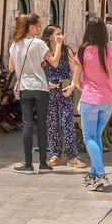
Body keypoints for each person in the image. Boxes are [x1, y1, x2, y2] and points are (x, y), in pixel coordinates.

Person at [73, 17, 112, 191]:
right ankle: (93, 174)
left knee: (89, 138)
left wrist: (86, 88)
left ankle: (101, 173)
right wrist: (109, 84)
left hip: (90, 99)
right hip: (108, 100)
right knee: (97, 136)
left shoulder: (83, 51)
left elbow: (76, 80)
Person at [9, 13, 60, 174]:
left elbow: (11, 68)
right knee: (42, 124)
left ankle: (27, 164)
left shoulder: (14, 45)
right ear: (31, 27)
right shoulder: (39, 44)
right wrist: (58, 44)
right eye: (38, 26)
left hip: (25, 87)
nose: (40, 28)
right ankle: (43, 164)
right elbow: (55, 62)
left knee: (27, 124)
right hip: (41, 87)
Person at [42, 24, 86, 169]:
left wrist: (73, 85)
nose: (61, 36)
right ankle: (55, 155)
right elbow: (41, 70)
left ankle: (72, 157)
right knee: (51, 123)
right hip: (49, 91)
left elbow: (75, 71)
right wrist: (46, 83)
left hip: (65, 89)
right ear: (49, 36)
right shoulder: (44, 51)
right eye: (57, 34)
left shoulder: (66, 51)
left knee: (67, 122)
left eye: (61, 33)